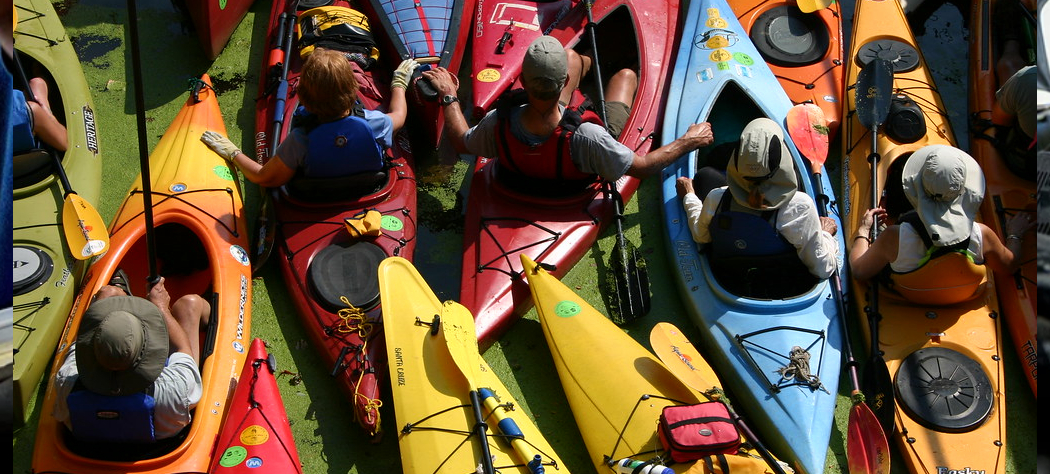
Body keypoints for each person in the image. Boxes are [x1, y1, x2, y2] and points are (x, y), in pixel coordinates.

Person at [422, 35, 714, 191]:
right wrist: (689, 140)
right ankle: (608, 61)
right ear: (563, 85)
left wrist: (449, 95)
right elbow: (642, 167)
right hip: (577, 162)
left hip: (527, 170)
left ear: (522, 81)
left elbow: (461, 141)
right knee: (624, 75)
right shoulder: (591, 136)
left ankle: (583, 60)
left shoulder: (498, 121)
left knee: (571, 56)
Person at [200, 47, 419, 188]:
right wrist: (398, 84)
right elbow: (399, 115)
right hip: (369, 189)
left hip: (316, 194)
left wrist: (233, 152)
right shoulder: (374, 123)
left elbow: (263, 178)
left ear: (302, 97)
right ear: (354, 89)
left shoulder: (298, 140)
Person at [849, 145, 1033, 302]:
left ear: (917, 187)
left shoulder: (893, 236)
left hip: (910, 295)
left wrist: (864, 230)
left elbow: (858, 270)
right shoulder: (982, 234)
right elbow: (1010, 266)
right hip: (961, 296)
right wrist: (1015, 234)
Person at [674, 118, 839, 292]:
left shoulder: (716, 198)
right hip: (779, 275)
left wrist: (690, 197)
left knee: (705, 176)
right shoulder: (800, 207)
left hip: (733, 274)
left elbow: (701, 236)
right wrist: (825, 234)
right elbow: (823, 268)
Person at [51, 274, 210, 442]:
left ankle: (121, 296)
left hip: (92, 441)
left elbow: (83, 337)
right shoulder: (173, 387)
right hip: (159, 439)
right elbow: (182, 348)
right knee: (189, 305)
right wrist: (161, 307)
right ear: (147, 348)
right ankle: (207, 312)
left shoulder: (66, 380)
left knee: (108, 292)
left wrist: (104, 306)